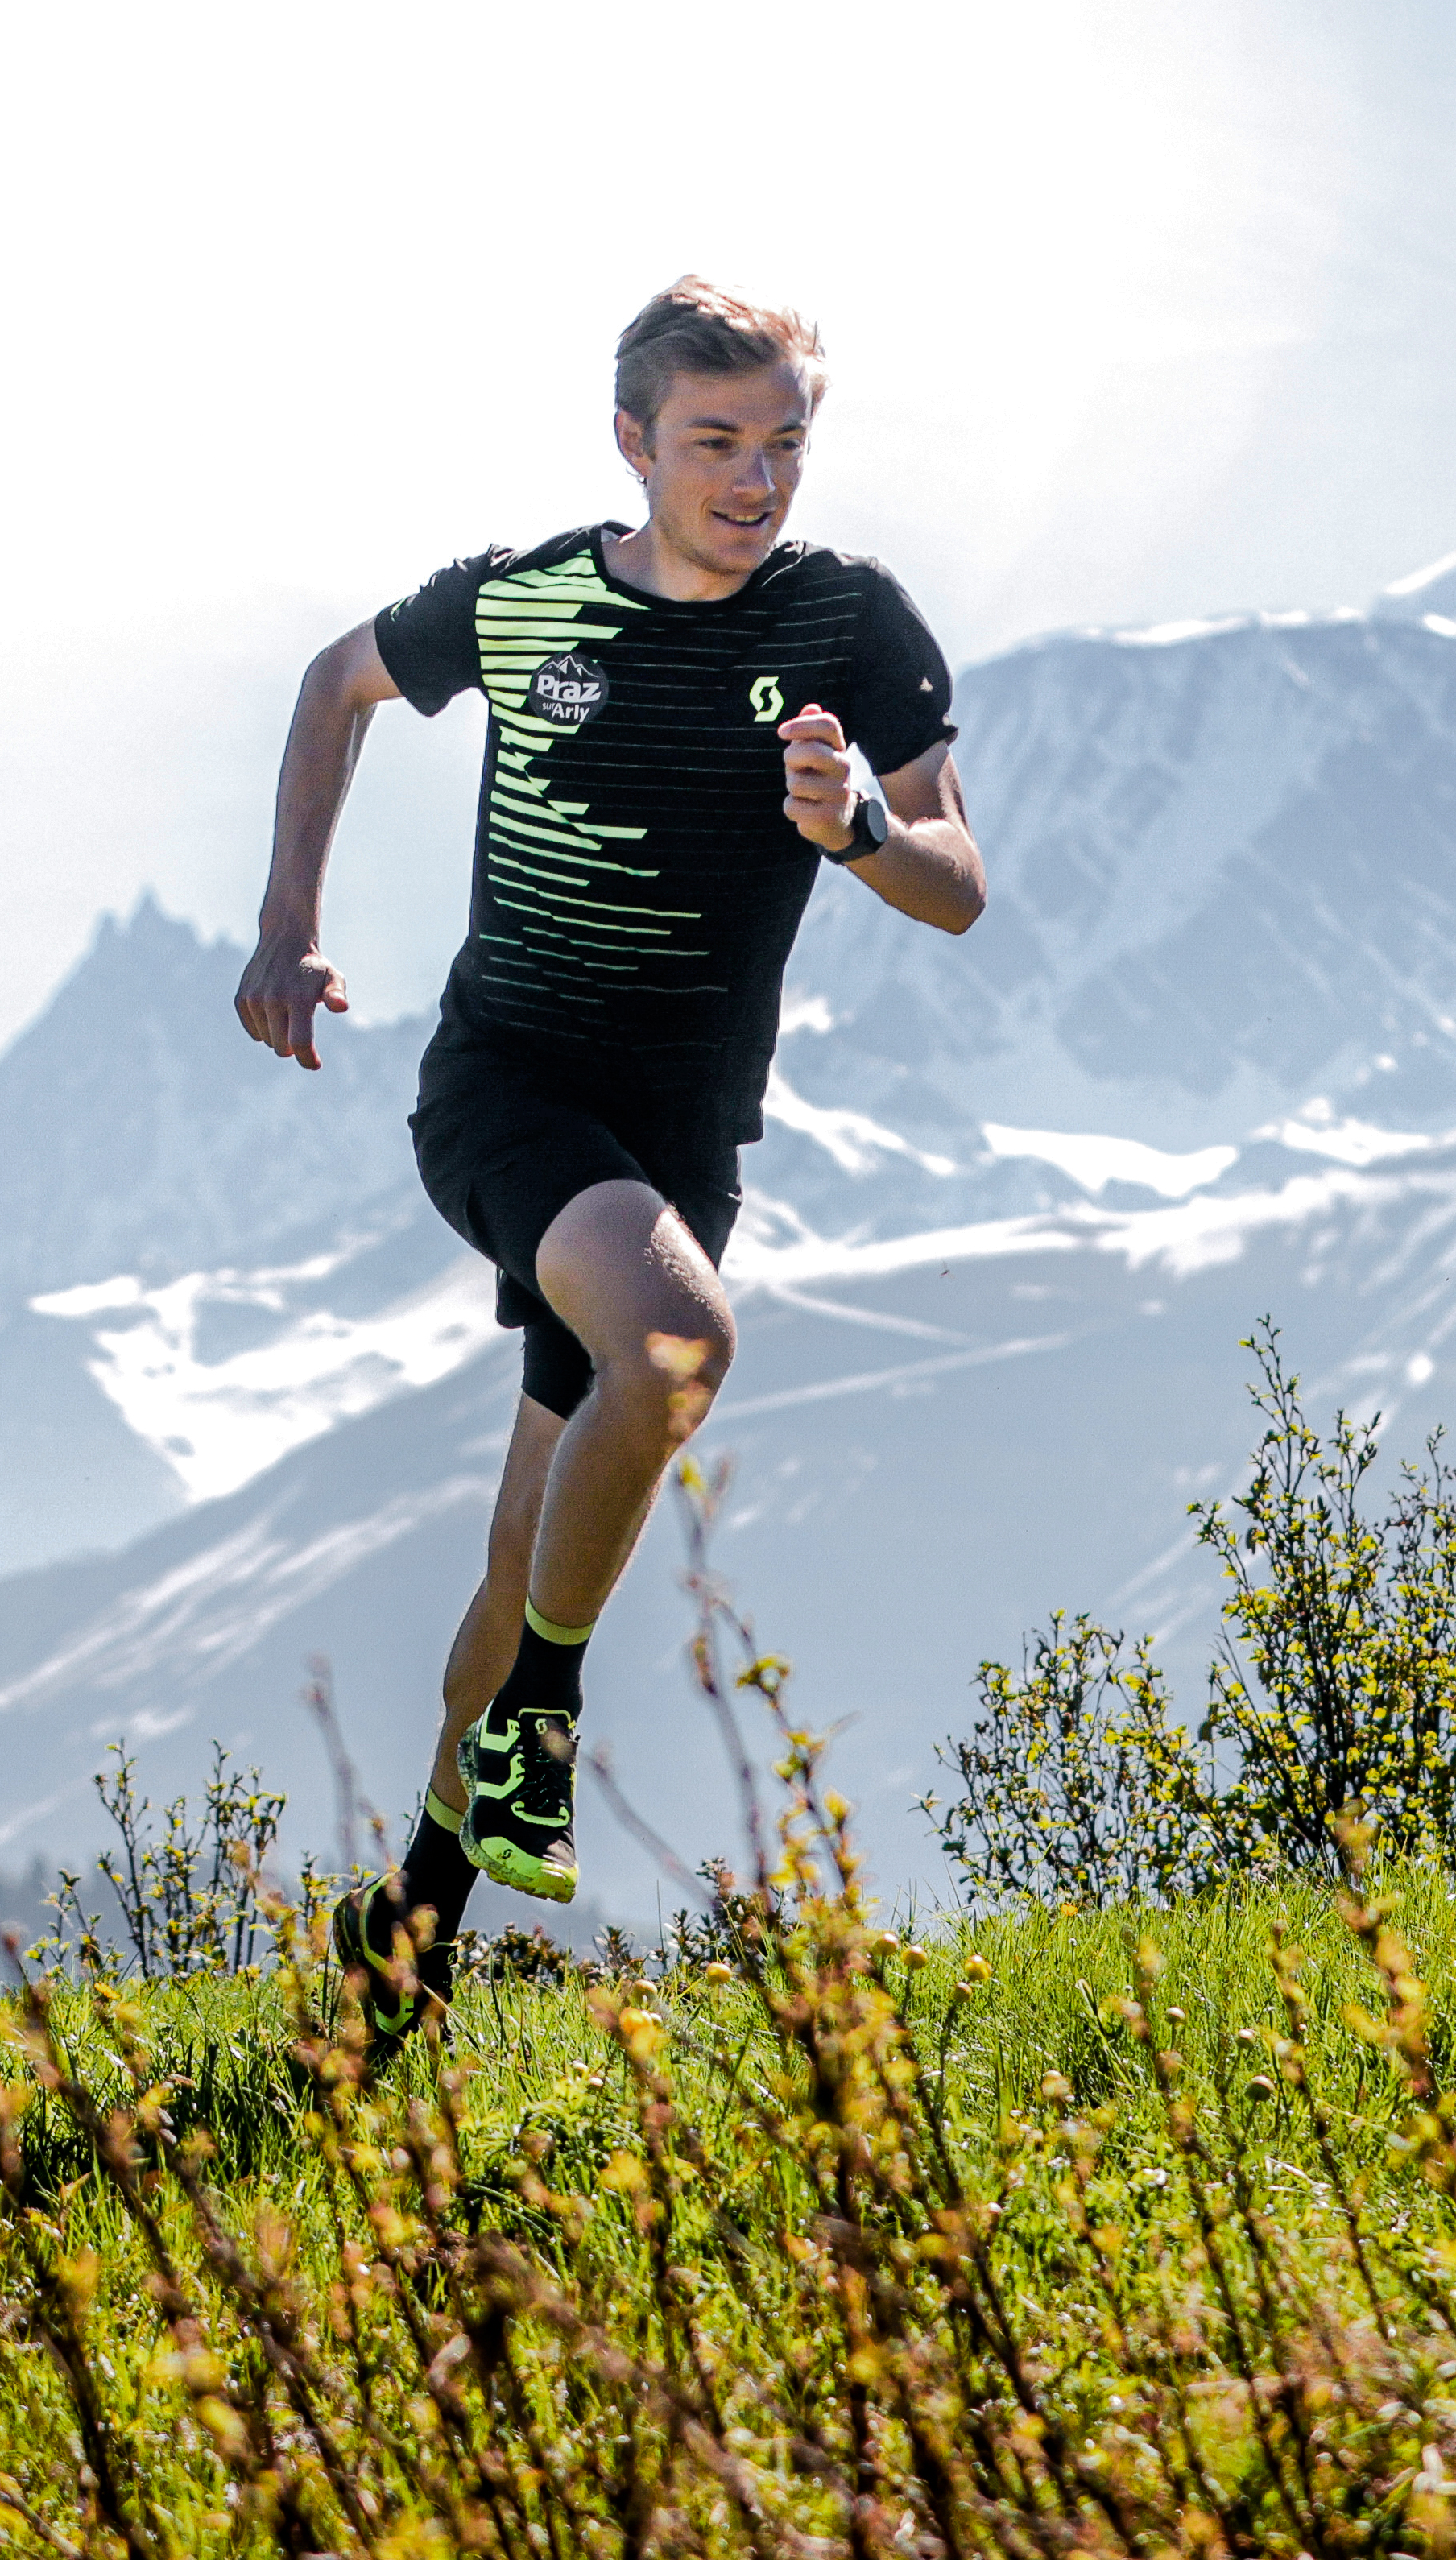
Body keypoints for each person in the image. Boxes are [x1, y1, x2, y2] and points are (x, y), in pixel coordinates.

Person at [232, 277, 987, 2063]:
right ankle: (542, 1721)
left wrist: (861, 830)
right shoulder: (520, 601)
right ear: (633, 440)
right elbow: (336, 684)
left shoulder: (848, 623)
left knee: (523, 1544)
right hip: (504, 1087)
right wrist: (286, 929)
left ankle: (412, 1905)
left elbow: (957, 877)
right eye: (714, 441)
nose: (752, 477)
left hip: (675, 1135)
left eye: (782, 441)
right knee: (670, 1344)